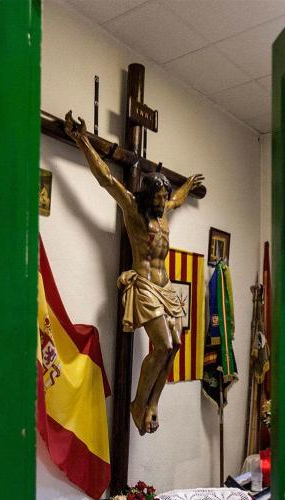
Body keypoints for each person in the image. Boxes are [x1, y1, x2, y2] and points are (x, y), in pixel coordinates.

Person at [64, 111, 204, 435]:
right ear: (146, 195)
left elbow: (179, 200)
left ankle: (153, 402)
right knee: (164, 345)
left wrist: (186, 186)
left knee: (177, 345)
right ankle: (139, 403)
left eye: (164, 197)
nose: (162, 202)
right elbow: (105, 179)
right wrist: (83, 139)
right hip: (144, 285)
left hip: (166, 287)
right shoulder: (132, 208)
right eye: (157, 197)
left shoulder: (164, 209)